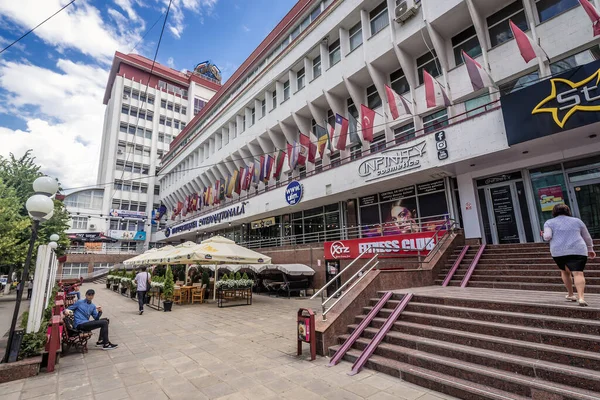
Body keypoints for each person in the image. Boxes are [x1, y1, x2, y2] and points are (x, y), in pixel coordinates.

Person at [543, 204, 596, 307]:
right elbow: (587, 236)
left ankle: (571, 294)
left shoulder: (549, 222)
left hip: (559, 251)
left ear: (554, 212)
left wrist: (543, 235)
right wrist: (590, 248)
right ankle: (581, 298)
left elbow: (547, 236)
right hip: (578, 249)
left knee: (565, 272)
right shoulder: (577, 221)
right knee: (578, 273)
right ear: (568, 211)